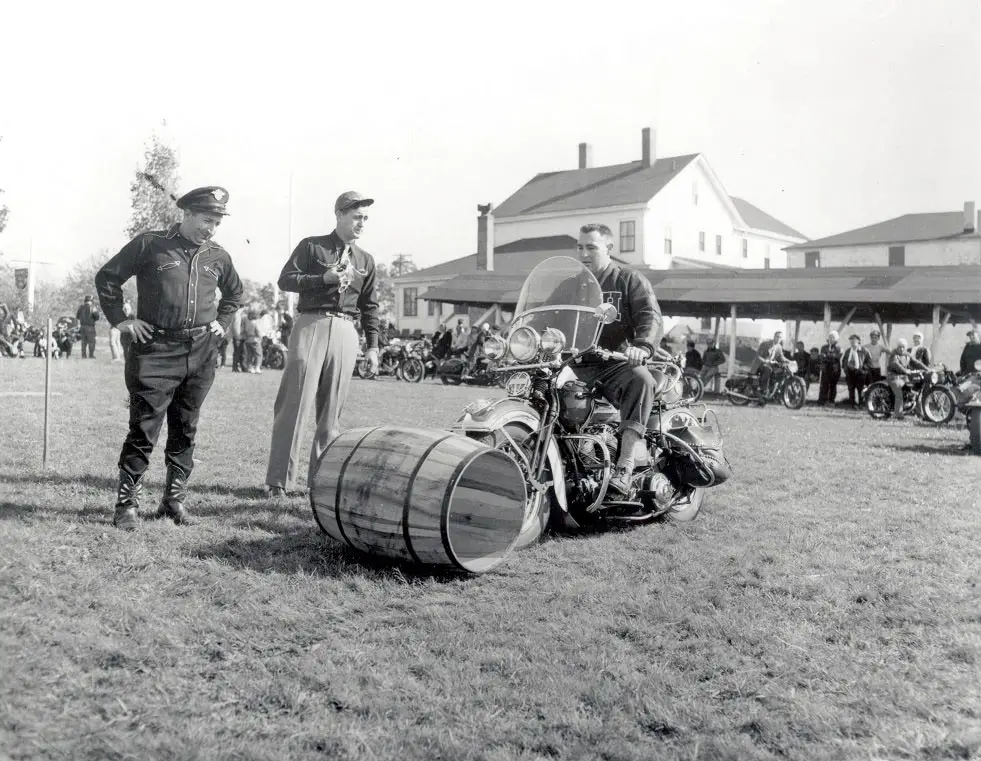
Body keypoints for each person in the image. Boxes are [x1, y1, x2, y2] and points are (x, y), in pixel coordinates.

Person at [94, 185, 243, 530]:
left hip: (201, 352)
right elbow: (108, 277)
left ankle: (173, 501)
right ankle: (126, 506)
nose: (211, 228)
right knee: (144, 427)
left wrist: (222, 322)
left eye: (217, 222)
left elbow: (234, 292)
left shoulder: (218, 256)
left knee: (186, 428)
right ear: (187, 214)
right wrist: (122, 320)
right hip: (156, 351)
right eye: (207, 220)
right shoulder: (150, 243)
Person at [264, 190, 380, 496]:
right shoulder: (311, 246)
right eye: (356, 217)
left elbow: (370, 306)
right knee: (294, 403)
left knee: (332, 412)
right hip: (311, 323)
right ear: (340, 214)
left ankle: (321, 482)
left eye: (365, 219)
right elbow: (285, 280)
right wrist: (322, 279)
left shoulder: (366, 260)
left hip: (345, 330)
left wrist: (373, 346)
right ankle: (279, 481)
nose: (361, 224)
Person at [569, 223, 663, 495]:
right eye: (580, 247)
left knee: (641, 380)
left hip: (617, 362)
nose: (584, 253)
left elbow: (650, 315)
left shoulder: (628, 279)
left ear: (609, 248)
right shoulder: (572, 285)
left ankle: (625, 464)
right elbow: (546, 314)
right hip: (577, 363)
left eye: (591, 247)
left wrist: (642, 347)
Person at [886, 338, 929, 420]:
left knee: (915, 392)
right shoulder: (894, 354)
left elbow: (917, 362)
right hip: (894, 377)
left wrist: (927, 369)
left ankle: (920, 413)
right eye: (900, 347)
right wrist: (905, 371)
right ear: (897, 347)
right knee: (899, 394)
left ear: (905, 347)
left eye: (903, 347)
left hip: (904, 377)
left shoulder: (907, 354)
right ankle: (898, 415)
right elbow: (896, 364)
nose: (901, 349)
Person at [752, 330, 789, 400]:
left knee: (779, 371)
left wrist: (789, 361)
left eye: (780, 337)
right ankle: (763, 389)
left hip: (769, 365)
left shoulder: (779, 347)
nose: (778, 339)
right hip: (759, 364)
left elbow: (781, 357)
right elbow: (758, 356)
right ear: (774, 337)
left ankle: (772, 389)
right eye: (777, 337)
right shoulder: (765, 344)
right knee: (768, 369)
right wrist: (766, 361)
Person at [841, 334, 872, 407]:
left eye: (854, 340)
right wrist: (846, 369)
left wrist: (863, 370)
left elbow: (869, 363)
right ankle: (852, 404)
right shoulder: (848, 351)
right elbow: (844, 361)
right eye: (851, 340)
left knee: (860, 389)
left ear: (859, 341)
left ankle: (861, 404)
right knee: (851, 388)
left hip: (860, 373)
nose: (852, 342)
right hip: (850, 373)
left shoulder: (864, 351)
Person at [817, 331, 843, 406]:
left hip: (835, 369)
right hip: (826, 368)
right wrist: (829, 356)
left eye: (833, 337)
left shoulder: (839, 348)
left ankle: (831, 401)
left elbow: (837, 357)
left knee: (833, 385)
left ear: (836, 339)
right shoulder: (824, 347)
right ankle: (822, 401)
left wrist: (827, 355)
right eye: (830, 337)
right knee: (824, 385)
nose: (831, 339)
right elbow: (822, 356)